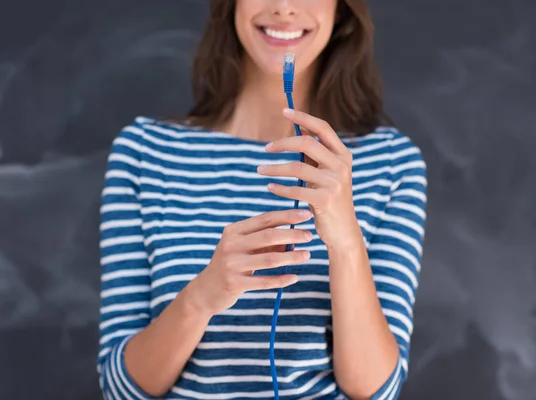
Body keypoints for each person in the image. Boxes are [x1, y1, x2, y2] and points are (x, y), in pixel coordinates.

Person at [96, 0, 427, 399]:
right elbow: (119, 389)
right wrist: (202, 296)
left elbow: (376, 391)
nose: (284, 8)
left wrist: (345, 243)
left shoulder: (390, 162)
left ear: (340, 9)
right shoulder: (146, 152)